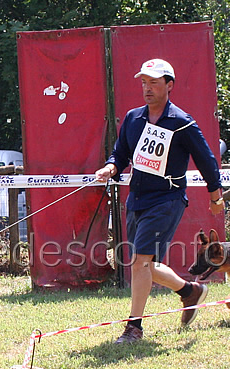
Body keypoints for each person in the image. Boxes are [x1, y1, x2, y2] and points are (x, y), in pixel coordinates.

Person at [95, 58, 224, 344]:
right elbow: (121, 153)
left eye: (154, 82)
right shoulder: (133, 118)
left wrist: (215, 196)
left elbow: (206, 159)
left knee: (140, 263)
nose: (147, 88)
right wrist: (111, 167)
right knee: (146, 264)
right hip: (137, 199)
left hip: (167, 199)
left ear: (169, 85)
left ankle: (134, 327)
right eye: (144, 82)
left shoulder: (181, 122)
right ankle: (189, 292)